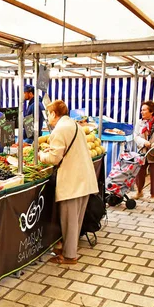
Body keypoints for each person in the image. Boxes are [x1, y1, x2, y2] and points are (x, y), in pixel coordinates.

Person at [39, 100, 98, 265]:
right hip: (84, 177)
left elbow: (54, 158)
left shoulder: (59, 130)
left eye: (48, 113)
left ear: (54, 114)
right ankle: (69, 249)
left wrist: (40, 155)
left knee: (69, 219)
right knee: (76, 219)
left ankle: (70, 256)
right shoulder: (75, 125)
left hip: (72, 179)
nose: (47, 116)